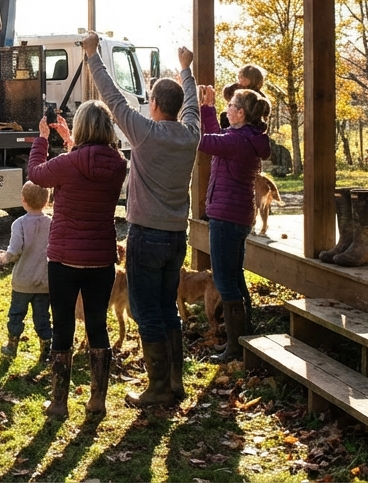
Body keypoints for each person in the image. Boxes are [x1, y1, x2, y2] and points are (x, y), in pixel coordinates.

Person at [84, 34, 200, 408]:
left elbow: (113, 98)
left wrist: (93, 55)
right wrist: (186, 71)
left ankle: (158, 388)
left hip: (146, 237)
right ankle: (176, 382)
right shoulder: (191, 136)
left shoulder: (145, 133)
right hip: (176, 237)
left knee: (147, 311)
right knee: (168, 308)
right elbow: (193, 107)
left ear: (153, 105)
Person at [26, 100, 128, 419]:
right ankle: (97, 400)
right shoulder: (118, 164)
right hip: (101, 259)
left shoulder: (67, 164)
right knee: (98, 326)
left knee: (63, 327)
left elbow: (36, 174)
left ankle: (59, 403)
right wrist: (71, 141)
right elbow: (90, 165)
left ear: (82, 127)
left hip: (64, 258)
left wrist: (43, 139)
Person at [197, 84, 273, 363]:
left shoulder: (237, 141)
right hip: (238, 217)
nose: (226, 109)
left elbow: (203, 141)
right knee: (235, 277)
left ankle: (235, 346)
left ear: (240, 113)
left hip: (226, 218)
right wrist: (207, 108)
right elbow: (215, 138)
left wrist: (197, 109)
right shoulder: (247, 138)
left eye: (230, 106)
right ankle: (244, 339)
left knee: (225, 280)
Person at [0, 181, 53, 363]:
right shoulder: (51, 223)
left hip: (22, 282)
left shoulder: (19, 224)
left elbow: (14, 250)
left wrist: (4, 258)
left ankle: (12, 346)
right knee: (43, 317)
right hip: (44, 282)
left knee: (16, 315)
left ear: (23, 200)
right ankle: (46, 350)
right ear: (46, 201)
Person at [219, 64, 267, 130]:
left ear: (251, 79)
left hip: (249, 123)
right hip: (237, 121)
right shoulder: (237, 89)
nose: (240, 80)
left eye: (243, 77)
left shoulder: (257, 95)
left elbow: (263, 112)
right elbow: (227, 94)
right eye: (239, 77)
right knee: (225, 116)